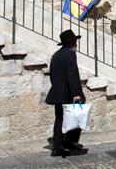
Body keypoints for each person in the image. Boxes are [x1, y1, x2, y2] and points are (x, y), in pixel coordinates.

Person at [46, 29, 86, 157]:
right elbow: (72, 75)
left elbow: (52, 75)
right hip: (68, 92)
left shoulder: (56, 55)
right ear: (72, 43)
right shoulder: (70, 54)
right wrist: (76, 94)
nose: (76, 44)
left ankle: (57, 147)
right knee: (77, 116)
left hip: (57, 92)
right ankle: (69, 142)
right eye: (75, 41)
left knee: (59, 120)